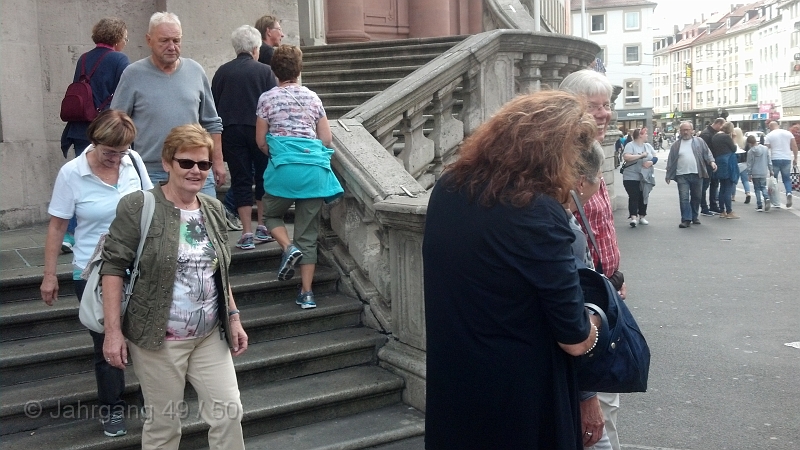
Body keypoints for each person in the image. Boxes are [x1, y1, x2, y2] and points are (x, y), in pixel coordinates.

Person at [423, 90, 602, 450]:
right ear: (553, 155)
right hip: (522, 396)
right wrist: (598, 317)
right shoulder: (538, 213)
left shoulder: (448, 188)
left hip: (457, 380)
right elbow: (575, 338)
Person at [100, 124, 247, 450]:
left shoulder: (213, 209)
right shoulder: (139, 206)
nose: (196, 171)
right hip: (157, 338)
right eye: (187, 163)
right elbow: (112, 269)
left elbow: (219, 271)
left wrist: (233, 317)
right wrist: (113, 332)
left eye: (204, 164)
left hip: (210, 334)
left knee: (229, 414)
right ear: (167, 163)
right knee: (165, 425)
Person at [41, 110, 152, 437]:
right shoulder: (71, 173)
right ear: (94, 140)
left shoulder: (133, 162)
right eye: (109, 152)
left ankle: (153, 402)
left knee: (147, 340)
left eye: (122, 151)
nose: (115, 158)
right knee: (107, 344)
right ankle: (112, 409)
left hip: (137, 265)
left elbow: (151, 205)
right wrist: (50, 274)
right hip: (93, 271)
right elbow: (58, 225)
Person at [561, 69, 626, 450]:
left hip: (604, 296)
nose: (605, 114)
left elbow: (599, 230)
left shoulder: (592, 157)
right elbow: (570, 248)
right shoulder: (567, 164)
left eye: (608, 105)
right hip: (585, 309)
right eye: (594, 107)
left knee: (606, 407)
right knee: (595, 416)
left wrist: (616, 274)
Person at [255, 45, 342, 310]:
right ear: (299, 69)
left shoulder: (267, 99)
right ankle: (306, 294)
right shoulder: (313, 98)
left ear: (274, 70)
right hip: (313, 174)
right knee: (308, 235)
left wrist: (280, 152)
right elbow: (326, 139)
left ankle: (286, 247)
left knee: (270, 215)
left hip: (283, 172)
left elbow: (260, 141)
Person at [110, 12, 225, 198]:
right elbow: (117, 124)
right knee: (156, 226)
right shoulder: (133, 75)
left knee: (203, 225)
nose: (172, 47)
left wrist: (217, 162)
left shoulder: (195, 71)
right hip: (151, 172)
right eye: (164, 40)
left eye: (176, 40)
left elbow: (212, 122)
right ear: (149, 40)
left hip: (195, 168)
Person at [60, 17, 130, 254]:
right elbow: (124, 95)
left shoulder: (83, 59)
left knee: (81, 179)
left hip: (80, 128)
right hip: (105, 131)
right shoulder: (119, 59)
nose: (126, 41)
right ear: (118, 38)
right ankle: (79, 232)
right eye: (125, 37)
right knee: (99, 181)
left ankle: (70, 234)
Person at [212, 25, 279, 250]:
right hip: (259, 131)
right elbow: (273, 104)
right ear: (255, 48)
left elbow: (214, 105)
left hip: (230, 131)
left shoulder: (222, 71)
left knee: (240, 179)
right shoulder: (265, 71)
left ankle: (246, 232)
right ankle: (262, 227)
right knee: (262, 178)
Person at [664, 121, 717, 228]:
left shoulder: (699, 141)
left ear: (692, 131)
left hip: (697, 173)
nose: (685, 132)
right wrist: (668, 174)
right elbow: (671, 160)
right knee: (684, 197)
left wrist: (712, 162)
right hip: (682, 175)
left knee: (696, 196)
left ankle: (694, 216)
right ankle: (686, 219)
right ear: (680, 131)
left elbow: (707, 153)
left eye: (687, 129)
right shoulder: (676, 145)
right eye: (683, 130)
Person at [621, 129, 656, 227]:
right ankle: (633, 218)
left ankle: (642, 216)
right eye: (645, 134)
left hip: (645, 176)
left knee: (644, 195)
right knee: (634, 196)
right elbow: (627, 157)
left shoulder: (648, 146)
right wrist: (641, 156)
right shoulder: (630, 145)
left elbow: (655, 156)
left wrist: (651, 162)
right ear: (640, 135)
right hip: (631, 176)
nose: (647, 135)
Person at [764, 121, 799, 208]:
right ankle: (789, 193)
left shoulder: (769, 135)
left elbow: (765, 149)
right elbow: (794, 146)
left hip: (775, 159)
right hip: (786, 158)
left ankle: (775, 201)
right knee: (786, 179)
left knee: (774, 181)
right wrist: (795, 158)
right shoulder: (788, 133)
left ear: (770, 127)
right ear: (778, 125)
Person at [711, 122, 740, 219]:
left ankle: (722, 211)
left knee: (722, 187)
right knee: (728, 187)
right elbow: (734, 148)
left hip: (719, 161)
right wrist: (734, 138)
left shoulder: (715, 136)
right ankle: (729, 211)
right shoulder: (726, 137)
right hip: (728, 162)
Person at [699, 118, 725, 215]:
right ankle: (704, 207)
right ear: (718, 124)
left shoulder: (712, 133)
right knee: (705, 185)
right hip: (707, 163)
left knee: (714, 184)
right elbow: (703, 150)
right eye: (722, 125)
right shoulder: (706, 134)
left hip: (713, 162)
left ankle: (713, 206)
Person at [746, 135, 773, 212]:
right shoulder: (765, 149)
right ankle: (767, 198)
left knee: (757, 189)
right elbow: (769, 160)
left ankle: (759, 206)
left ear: (749, 143)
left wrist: (749, 174)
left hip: (755, 172)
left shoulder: (750, 152)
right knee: (763, 187)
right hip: (763, 171)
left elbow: (749, 164)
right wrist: (771, 170)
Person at [732, 127, 750, 204]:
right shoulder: (745, 141)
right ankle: (748, 193)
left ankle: (733, 196)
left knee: (733, 181)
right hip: (744, 163)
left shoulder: (732, 142)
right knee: (745, 180)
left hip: (735, 163)